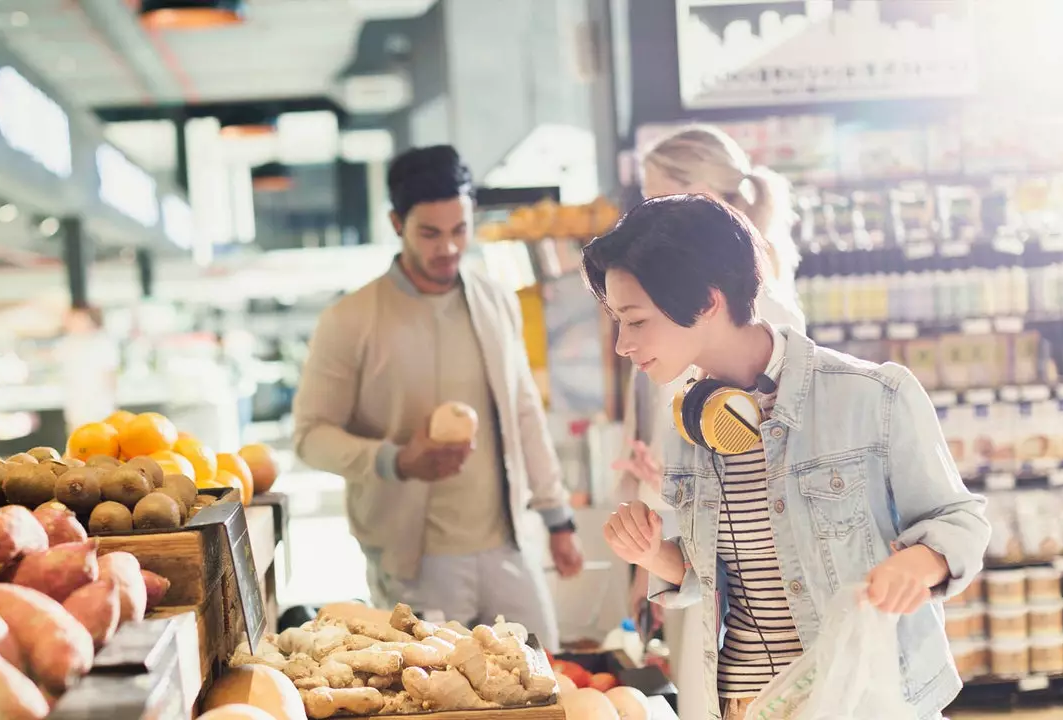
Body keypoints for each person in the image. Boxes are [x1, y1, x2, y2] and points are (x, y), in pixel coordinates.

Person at [587, 194, 989, 720]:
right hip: (741, 703)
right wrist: (654, 555)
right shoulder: (686, 421)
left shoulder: (874, 396)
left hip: (858, 700)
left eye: (635, 321)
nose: (622, 343)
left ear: (708, 301)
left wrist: (922, 560)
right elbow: (717, 574)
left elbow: (962, 521)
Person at [292, 145, 583, 650]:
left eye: (460, 230)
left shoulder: (494, 300)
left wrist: (558, 518)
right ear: (396, 222)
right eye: (430, 233)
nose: (448, 247)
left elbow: (522, 410)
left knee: (547, 681)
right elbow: (310, 437)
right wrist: (396, 460)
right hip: (415, 560)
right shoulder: (350, 320)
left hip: (506, 546)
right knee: (436, 700)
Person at [612, 125, 808, 720]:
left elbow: (758, 451)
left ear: (700, 197)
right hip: (694, 550)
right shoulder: (702, 290)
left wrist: (670, 471)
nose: (647, 216)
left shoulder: (755, 306)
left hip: (730, 571)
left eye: (658, 199)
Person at [57, 306, 119, 432]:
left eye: (77, 319)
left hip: (100, 406)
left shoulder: (102, 343)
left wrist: (114, 403)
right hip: (76, 406)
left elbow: (111, 376)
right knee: (77, 443)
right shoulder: (69, 343)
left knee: (103, 441)